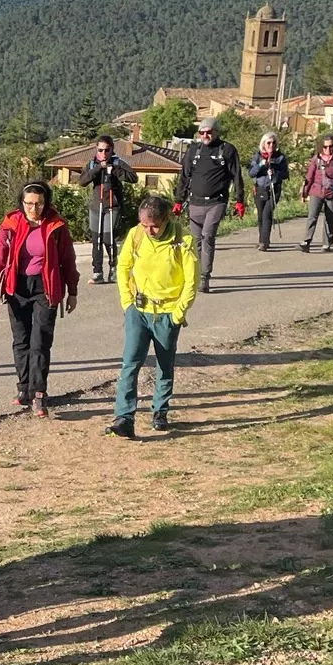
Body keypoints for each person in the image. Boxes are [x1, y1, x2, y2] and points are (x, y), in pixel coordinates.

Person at [0, 181, 80, 416]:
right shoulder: (11, 225)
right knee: (21, 341)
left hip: (45, 289)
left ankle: (38, 393)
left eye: (38, 204)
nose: (33, 209)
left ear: (46, 203)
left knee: (40, 342)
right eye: (28, 203)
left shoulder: (56, 226)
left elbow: (68, 260)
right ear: (22, 202)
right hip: (16, 288)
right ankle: (24, 388)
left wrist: (72, 291)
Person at [108, 194, 198, 439]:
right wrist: (127, 302)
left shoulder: (183, 240)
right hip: (138, 310)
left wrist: (178, 313)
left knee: (164, 364)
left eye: (154, 226)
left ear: (167, 218)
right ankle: (124, 418)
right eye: (144, 225)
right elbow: (123, 266)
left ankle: (160, 410)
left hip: (167, 313)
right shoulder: (136, 235)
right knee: (130, 363)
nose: (149, 231)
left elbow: (192, 281)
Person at [176, 117, 245, 292]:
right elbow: (184, 176)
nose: (205, 135)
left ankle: (204, 277)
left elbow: (237, 176)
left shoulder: (227, 150)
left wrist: (239, 200)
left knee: (207, 236)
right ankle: (195, 273)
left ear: (216, 132)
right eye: (202, 132)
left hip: (216, 202)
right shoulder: (193, 151)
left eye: (209, 132)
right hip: (195, 202)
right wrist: (178, 200)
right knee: (195, 240)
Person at [77, 136, 131, 283]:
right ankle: (97, 272)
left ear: (112, 149)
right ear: (97, 149)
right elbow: (82, 181)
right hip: (96, 207)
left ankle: (113, 269)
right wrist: (98, 168)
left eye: (107, 150)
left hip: (112, 207)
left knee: (108, 239)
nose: (104, 153)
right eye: (100, 150)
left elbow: (133, 178)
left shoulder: (117, 162)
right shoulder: (92, 164)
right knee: (97, 240)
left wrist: (115, 171)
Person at [299, 135, 333, 252]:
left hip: (332, 192)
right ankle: (306, 241)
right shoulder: (316, 159)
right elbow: (309, 177)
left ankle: (326, 243)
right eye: (325, 146)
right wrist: (304, 193)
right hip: (316, 191)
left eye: (331, 146)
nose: (328, 149)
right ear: (321, 147)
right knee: (312, 217)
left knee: (330, 218)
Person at [247, 132, 290, 251]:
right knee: (261, 215)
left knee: (267, 214)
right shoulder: (258, 157)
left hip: (274, 189)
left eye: (274, 143)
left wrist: (275, 173)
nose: (271, 145)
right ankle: (262, 239)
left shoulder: (280, 157)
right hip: (260, 189)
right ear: (263, 144)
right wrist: (261, 165)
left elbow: (285, 174)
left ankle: (264, 242)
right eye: (269, 143)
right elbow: (251, 173)